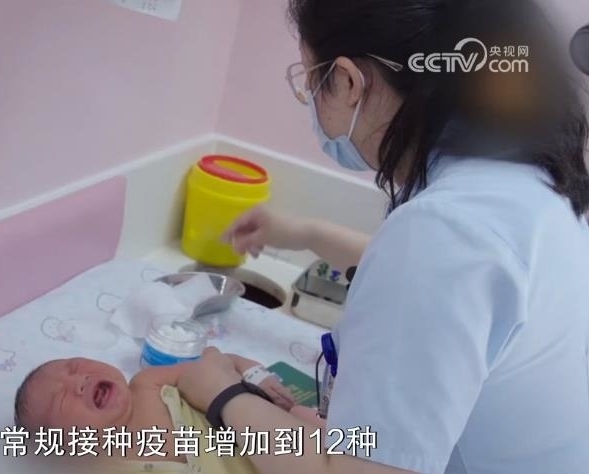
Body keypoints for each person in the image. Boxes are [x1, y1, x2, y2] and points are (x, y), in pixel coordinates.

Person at [175, 1, 589, 474]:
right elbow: (450, 294)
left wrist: (221, 395)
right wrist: (306, 233)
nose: (310, 99)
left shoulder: (444, 233)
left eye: (309, 80)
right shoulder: (527, 185)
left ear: (349, 81)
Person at [13, 355, 322, 473]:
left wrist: (256, 375)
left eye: (75, 366)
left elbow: (217, 364)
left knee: (305, 417)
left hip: (274, 444)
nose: (78, 381)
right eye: (60, 399)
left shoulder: (147, 383)